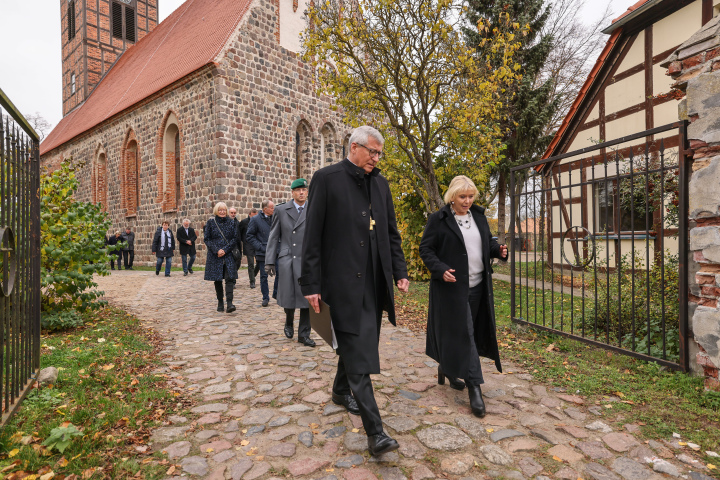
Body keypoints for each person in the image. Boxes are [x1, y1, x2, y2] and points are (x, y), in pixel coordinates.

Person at [299, 125, 409, 457]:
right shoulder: (326, 179)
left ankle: (338, 389)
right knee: (359, 355)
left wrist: (399, 271)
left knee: (359, 343)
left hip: (374, 283)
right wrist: (310, 283)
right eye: (372, 151)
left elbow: (391, 232)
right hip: (342, 284)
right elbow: (313, 235)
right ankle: (375, 434)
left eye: (379, 153)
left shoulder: (381, 184)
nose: (376, 158)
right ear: (354, 147)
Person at [419, 175, 508, 418]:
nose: (467, 201)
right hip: (452, 289)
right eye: (462, 196)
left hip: (479, 287)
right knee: (466, 335)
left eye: (470, 196)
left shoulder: (478, 217)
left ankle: (446, 368)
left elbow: (484, 245)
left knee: (466, 333)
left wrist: (498, 251)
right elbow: (426, 249)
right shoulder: (438, 220)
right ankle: (474, 388)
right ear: (452, 196)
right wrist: (440, 269)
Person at [265, 178, 315, 347]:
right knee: (289, 295)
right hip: (288, 258)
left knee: (308, 296)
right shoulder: (280, 210)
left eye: (304, 190)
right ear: (292, 192)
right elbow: (273, 237)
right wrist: (269, 261)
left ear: (307, 192)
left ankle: (304, 334)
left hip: (307, 259)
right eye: (298, 190)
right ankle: (288, 321)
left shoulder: (313, 209)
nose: (302, 192)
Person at [204, 202, 238, 313]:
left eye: (224, 210)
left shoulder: (231, 222)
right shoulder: (211, 223)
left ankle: (229, 303)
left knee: (229, 279)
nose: (222, 212)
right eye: (220, 210)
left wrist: (225, 249)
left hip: (228, 254)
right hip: (215, 255)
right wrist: (217, 250)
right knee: (218, 279)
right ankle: (220, 302)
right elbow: (207, 239)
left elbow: (234, 238)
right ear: (216, 211)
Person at [247, 200, 278, 307]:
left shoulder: (275, 217)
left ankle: (276, 293)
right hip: (263, 252)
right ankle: (265, 297)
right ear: (265, 209)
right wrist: (260, 247)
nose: (274, 209)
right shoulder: (255, 219)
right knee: (264, 276)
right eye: (272, 208)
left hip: (276, 251)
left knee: (280, 273)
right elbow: (249, 236)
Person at [238, 208, 259, 288]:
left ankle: (253, 275)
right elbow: (239, 233)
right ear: (250, 214)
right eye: (254, 216)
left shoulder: (258, 221)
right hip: (248, 245)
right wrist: (243, 241)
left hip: (256, 244)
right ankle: (252, 281)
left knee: (259, 263)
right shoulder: (244, 222)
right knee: (250, 263)